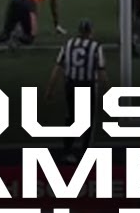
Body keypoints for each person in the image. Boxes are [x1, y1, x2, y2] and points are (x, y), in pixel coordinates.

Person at [45, 19, 107, 161]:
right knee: (88, 120)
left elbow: (58, 67)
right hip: (87, 85)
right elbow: (101, 70)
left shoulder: (68, 44)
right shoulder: (95, 46)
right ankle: (86, 153)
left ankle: (67, 150)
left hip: (71, 84)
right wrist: (108, 90)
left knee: (72, 117)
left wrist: (50, 88)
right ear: (90, 31)